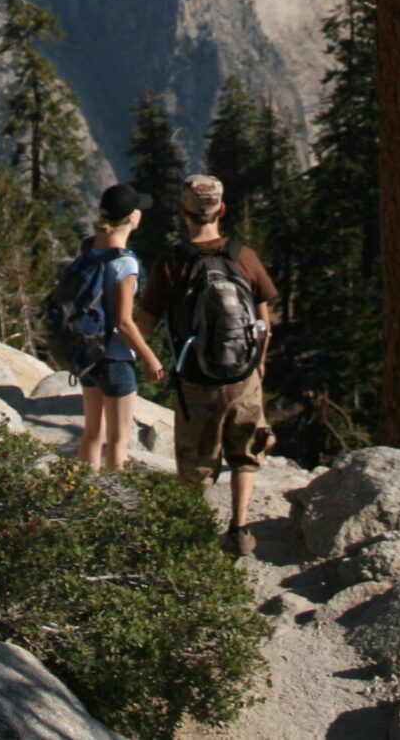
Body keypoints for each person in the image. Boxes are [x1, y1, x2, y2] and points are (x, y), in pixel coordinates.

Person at [138, 173, 279, 556]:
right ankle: (240, 528)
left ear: (184, 213)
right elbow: (265, 316)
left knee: (195, 461)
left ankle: (194, 538)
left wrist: (139, 352)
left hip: (197, 381)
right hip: (243, 375)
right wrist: (259, 362)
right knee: (245, 450)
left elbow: (146, 324)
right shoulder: (242, 256)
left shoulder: (172, 263)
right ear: (222, 210)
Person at [76, 182, 166, 471]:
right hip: (115, 358)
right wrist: (150, 358)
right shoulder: (126, 264)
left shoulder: (89, 248)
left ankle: (80, 495)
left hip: (88, 354)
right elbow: (124, 322)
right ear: (131, 218)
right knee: (118, 439)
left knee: (92, 432)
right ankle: (115, 506)